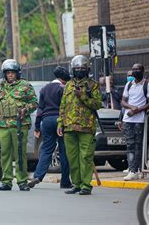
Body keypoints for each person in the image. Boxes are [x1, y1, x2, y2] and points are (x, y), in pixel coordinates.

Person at [57, 55, 101, 195]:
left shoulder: (93, 85)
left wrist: (82, 95)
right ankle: (76, 184)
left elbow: (97, 104)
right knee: (72, 158)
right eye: (77, 68)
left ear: (87, 69)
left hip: (86, 127)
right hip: (69, 127)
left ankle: (86, 186)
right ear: (73, 69)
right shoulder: (69, 85)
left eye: (83, 68)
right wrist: (60, 123)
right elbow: (63, 105)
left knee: (86, 157)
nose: (80, 70)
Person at [0, 59, 38, 191]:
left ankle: (22, 181)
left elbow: (34, 103)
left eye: (12, 72)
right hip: (3, 125)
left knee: (20, 154)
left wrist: (26, 109)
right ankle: (6, 181)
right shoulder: (0, 86)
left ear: (17, 73)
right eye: (8, 73)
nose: (10, 75)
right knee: (5, 154)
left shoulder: (25, 85)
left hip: (19, 124)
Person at [28, 66, 72, 189]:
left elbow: (40, 109)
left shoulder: (44, 89)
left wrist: (37, 127)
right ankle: (65, 181)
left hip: (46, 121)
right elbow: (66, 108)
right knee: (64, 151)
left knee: (46, 149)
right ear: (64, 80)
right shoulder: (63, 89)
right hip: (59, 121)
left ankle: (37, 176)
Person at [121, 64, 149, 181]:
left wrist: (137, 110)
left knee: (138, 145)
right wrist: (131, 107)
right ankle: (132, 170)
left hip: (139, 120)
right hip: (127, 119)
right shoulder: (129, 84)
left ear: (143, 71)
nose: (135, 71)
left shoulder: (148, 85)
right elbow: (123, 101)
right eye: (134, 69)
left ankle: (137, 169)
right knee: (130, 145)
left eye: (138, 69)